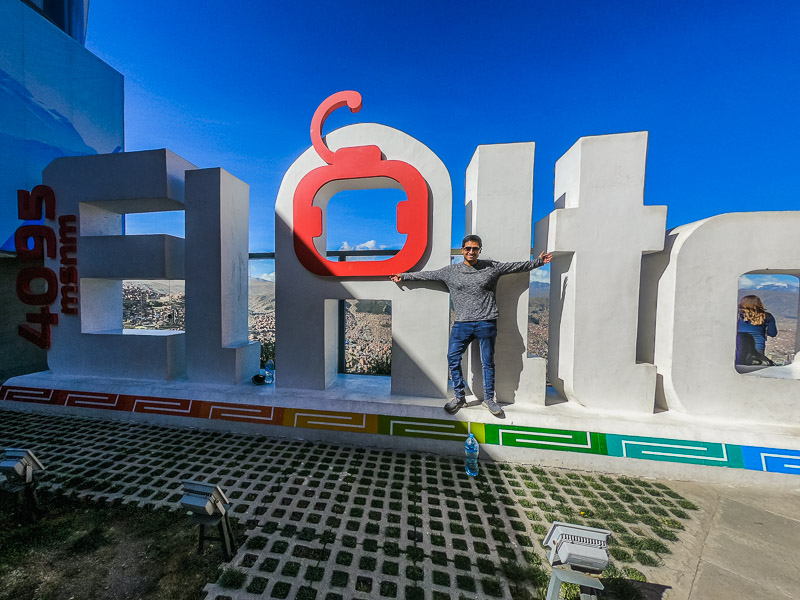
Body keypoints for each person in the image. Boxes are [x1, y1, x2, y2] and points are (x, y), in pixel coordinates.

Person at [390, 235, 552, 417]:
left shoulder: (491, 267)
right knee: (452, 358)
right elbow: (429, 275)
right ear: (462, 250)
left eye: (475, 249)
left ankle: (489, 399)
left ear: (479, 250)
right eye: (468, 248)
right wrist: (403, 276)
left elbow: (515, 267)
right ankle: (459, 397)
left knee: (488, 362)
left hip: (486, 321)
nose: (471, 252)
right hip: (462, 323)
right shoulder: (451, 271)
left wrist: (538, 262)